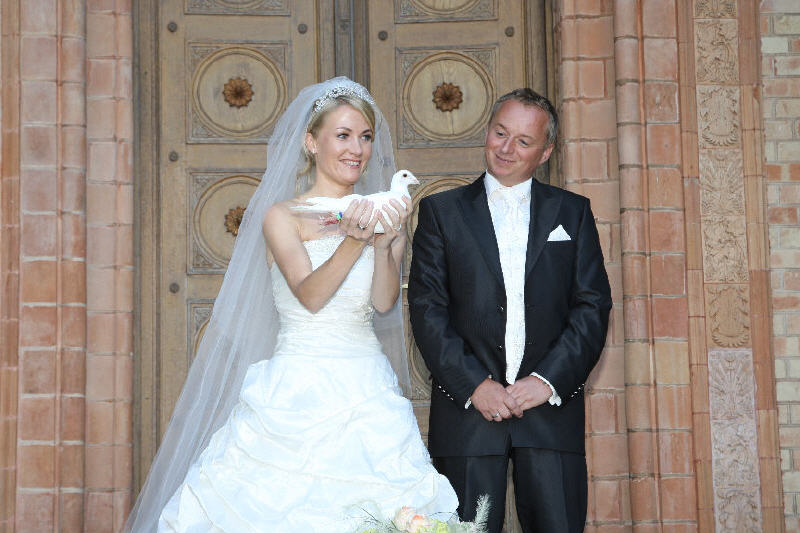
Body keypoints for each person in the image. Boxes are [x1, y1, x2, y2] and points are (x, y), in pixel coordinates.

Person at [123, 77, 457, 533]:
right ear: (310, 142)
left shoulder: (380, 211)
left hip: (366, 389)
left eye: (365, 137)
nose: (356, 149)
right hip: (297, 389)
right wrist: (355, 241)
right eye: (343, 135)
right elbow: (311, 295)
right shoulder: (283, 216)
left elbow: (383, 304)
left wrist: (385, 247)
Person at [408, 88, 612, 533]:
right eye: (500, 133)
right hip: (467, 416)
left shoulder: (573, 212)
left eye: (523, 141)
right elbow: (427, 309)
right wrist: (473, 384)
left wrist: (547, 381)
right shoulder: (440, 212)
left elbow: (592, 306)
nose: (506, 148)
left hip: (551, 415)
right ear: (487, 132)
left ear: (545, 152)